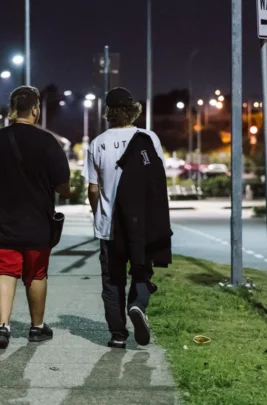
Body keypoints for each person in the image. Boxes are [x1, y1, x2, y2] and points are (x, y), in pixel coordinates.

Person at [0, 86, 74, 349]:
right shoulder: (48, 142)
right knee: (36, 273)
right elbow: (63, 186)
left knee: (4, 271)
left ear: (11, 109)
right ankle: (37, 328)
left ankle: (2, 328)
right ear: (36, 109)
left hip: (1, 220)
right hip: (37, 223)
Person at [84, 87, 172, 349]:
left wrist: (98, 211)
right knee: (141, 270)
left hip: (109, 227)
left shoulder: (97, 143)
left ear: (108, 113)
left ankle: (117, 335)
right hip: (140, 226)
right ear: (132, 110)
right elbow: (157, 181)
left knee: (112, 280)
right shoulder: (148, 138)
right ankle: (137, 305)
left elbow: (92, 189)